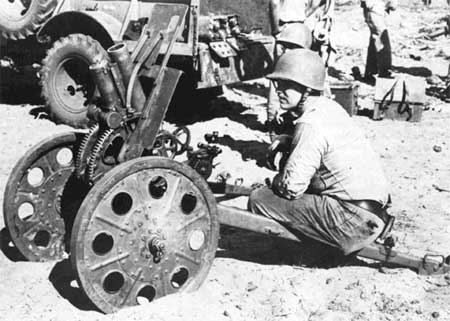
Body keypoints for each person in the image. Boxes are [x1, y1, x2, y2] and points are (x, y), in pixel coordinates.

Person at [249, 49, 392, 256]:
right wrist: (289, 141)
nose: (279, 90)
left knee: (259, 199)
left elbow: (292, 188)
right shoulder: (328, 107)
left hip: (352, 222)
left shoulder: (310, 123)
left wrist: (276, 181)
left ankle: (309, 252)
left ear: (306, 89)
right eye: (277, 83)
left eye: (287, 85)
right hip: (373, 211)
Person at [361, 0, 397, 82]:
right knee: (383, 42)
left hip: (373, 9)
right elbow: (392, 5)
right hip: (375, 10)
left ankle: (370, 73)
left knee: (375, 42)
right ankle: (384, 74)